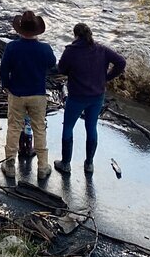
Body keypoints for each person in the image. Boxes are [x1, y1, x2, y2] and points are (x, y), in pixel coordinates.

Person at [54, 22, 126, 176]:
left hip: (76, 96)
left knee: (68, 127)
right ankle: (89, 164)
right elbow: (121, 62)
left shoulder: (71, 51)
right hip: (97, 96)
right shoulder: (102, 49)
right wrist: (107, 77)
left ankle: (66, 164)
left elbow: (61, 69)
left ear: (75, 35)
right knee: (91, 128)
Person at [0, 10, 57, 182]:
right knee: (39, 128)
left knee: (14, 127)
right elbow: (52, 64)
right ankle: (42, 166)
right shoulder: (44, 49)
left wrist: (7, 86)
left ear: (20, 29)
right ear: (37, 31)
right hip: (37, 94)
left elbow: (4, 70)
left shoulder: (11, 47)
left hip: (17, 93)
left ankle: (10, 164)